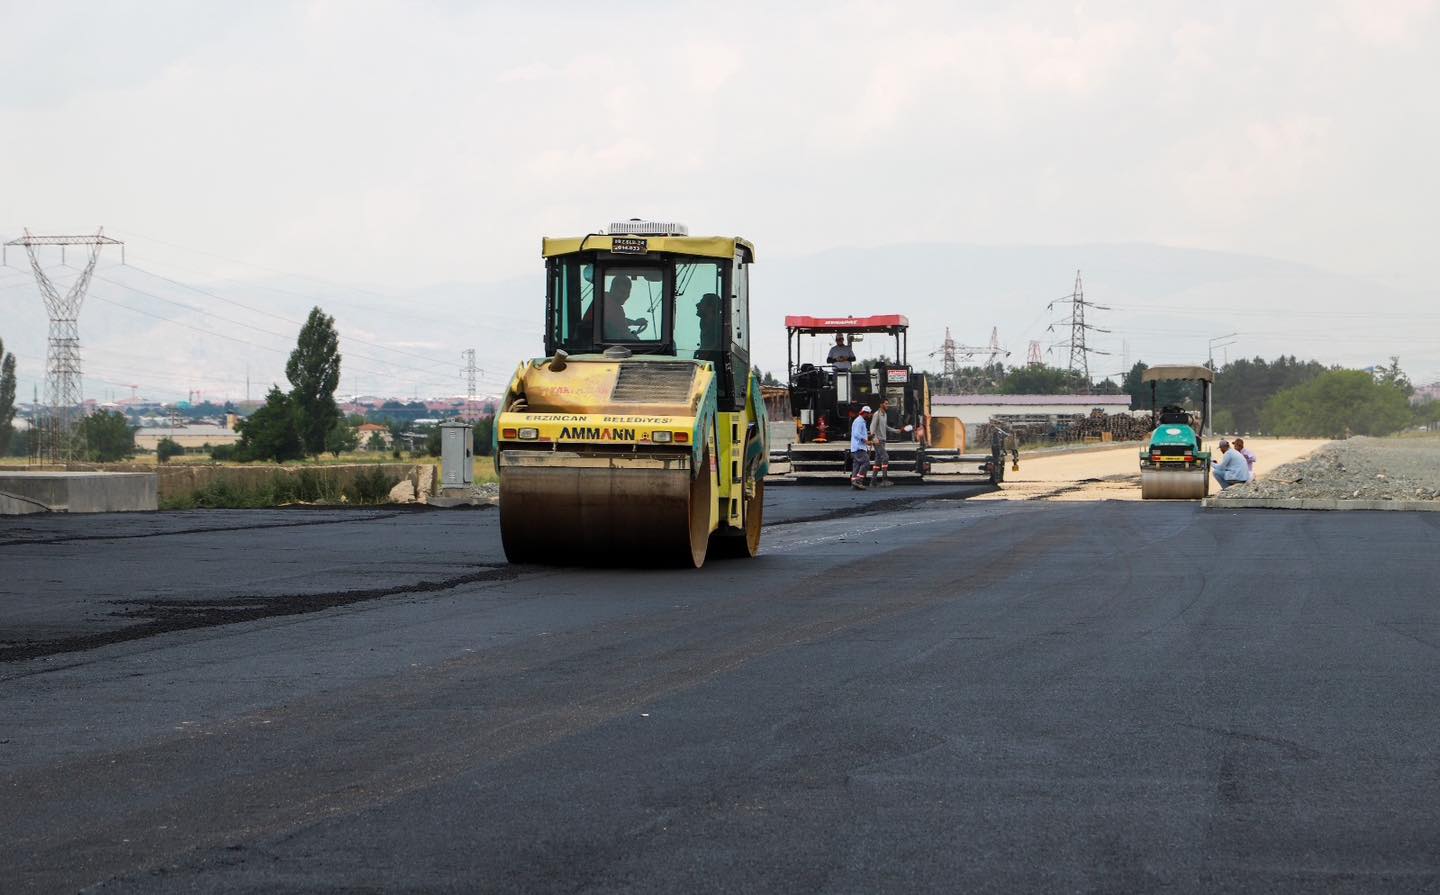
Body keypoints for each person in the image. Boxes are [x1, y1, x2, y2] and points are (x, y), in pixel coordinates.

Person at [869, 397, 912, 485]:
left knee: (878, 460)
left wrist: (897, 431)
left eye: (887, 403)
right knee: (885, 457)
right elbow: (872, 428)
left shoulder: (884, 414)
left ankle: (873, 481)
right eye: (886, 403)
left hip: (883, 440)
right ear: (881, 405)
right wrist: (875, 439)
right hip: (878, 441)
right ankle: (884, 479)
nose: (887, 405)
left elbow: (886, 427)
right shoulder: (877, 414)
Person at [850, 405, 873, 489]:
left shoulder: (860, 421)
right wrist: (866, 441)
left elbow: (859, 433)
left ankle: (854, 481)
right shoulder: (859, 421)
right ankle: (858, 481)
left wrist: (868, 436)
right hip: (859, 447)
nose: (870, 415)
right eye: (869, 413)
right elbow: (856, 434)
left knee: (856, 465)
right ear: (865, 413)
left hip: (855, 448)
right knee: (866, 462)